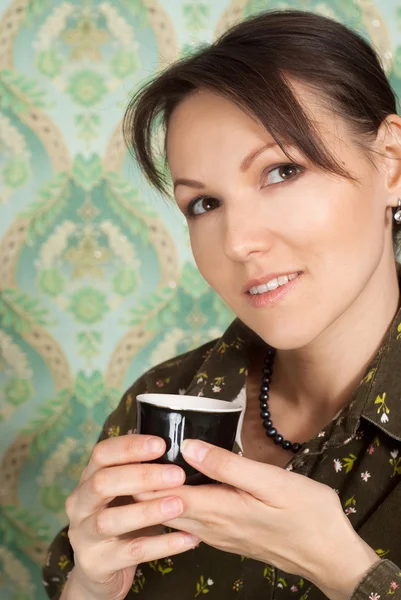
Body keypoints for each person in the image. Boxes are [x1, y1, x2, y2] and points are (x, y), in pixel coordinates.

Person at [43, 9, 401, 600]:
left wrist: (348, 572)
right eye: (204, 204)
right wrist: (91, 584)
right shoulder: (160, 400)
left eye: (281, 171)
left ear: (391, 162)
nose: (238, 243)